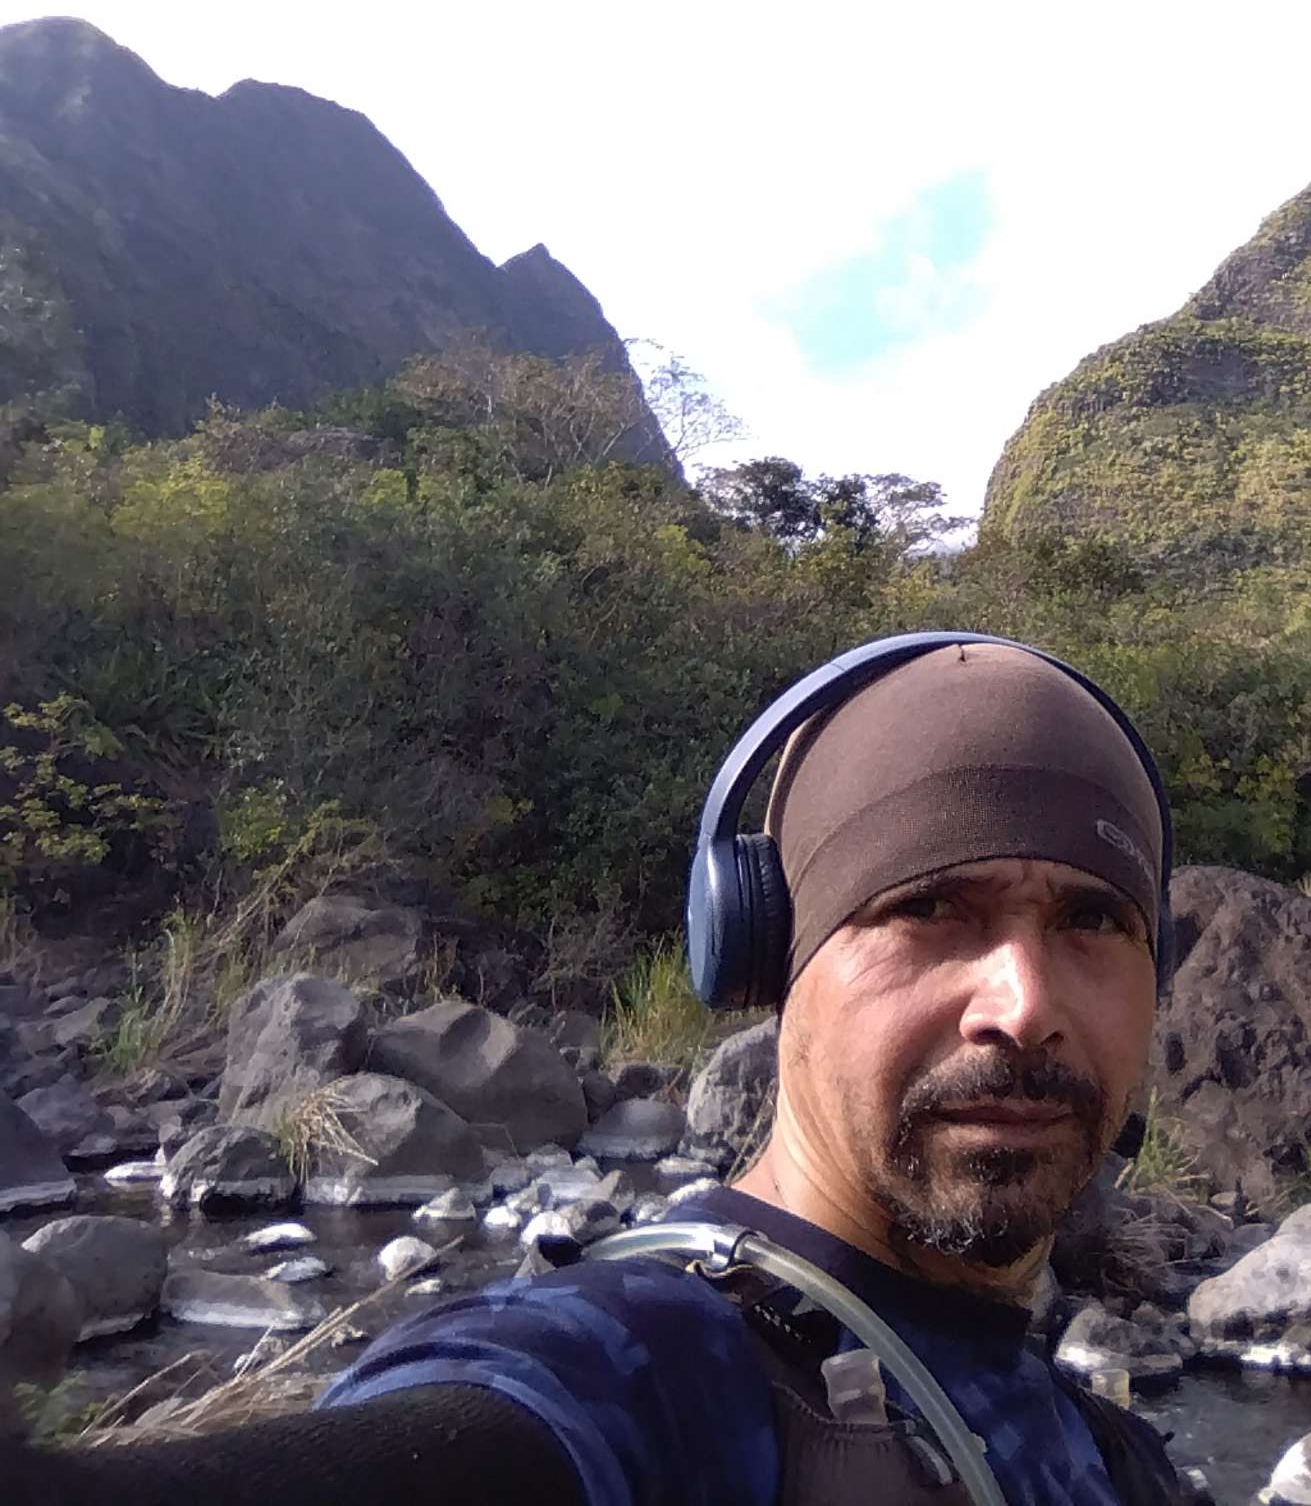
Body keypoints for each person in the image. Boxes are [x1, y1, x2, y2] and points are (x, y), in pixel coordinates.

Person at [9, 635, 1195, 1505]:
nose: (1023, 1003)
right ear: (767, 958)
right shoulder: (648, 1367)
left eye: (1093, 921)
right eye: (929, 907)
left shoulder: (1105, 1449)